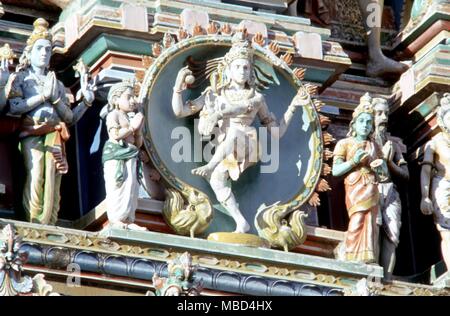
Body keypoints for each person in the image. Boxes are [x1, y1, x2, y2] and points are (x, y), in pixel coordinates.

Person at [172, 31, 311, 233]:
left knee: (236, 130)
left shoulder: (256, 98)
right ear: (228, 69)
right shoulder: (214, 94)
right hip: (226, 151)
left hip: (248, 145)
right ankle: (241, 222)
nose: (242, 71)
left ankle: (210, 165)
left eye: (246, 67)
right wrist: (178, 87)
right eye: (238, 66)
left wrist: (293, 106)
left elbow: (276, 132)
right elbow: (180, 111)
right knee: (218, 181)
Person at [7, 18, 95, 225]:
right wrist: (42, 96)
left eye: (48, 49)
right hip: (32, 132)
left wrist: (87, 104)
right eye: (40, 49)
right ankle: (34, 220)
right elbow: (14, 107)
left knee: (54, 177)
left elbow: (69, 117)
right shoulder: (23, 78)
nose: (45, 53)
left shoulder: (57, 82)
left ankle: (49, 220)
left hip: (55, 134)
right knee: (36, 171)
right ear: (29, 53)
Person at [332, 93, 383, 263]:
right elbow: (335, 170)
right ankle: (352, 254)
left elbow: (384, 174)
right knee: (357, 219)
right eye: (362, 121)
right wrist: (354, 161)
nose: (365, 125)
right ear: (353, 124)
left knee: (372, 222)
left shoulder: (374, 145)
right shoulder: (344, 143)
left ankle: (369, 255)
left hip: (372, 186)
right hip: (355, 187)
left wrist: (380, 167)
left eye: (369, 122)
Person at [102, 80, 147, 231]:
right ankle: (116, 219)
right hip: (117, 155)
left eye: (134, 97)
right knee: (119, 185)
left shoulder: (129, 117)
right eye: (129, 97)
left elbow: (138, 143)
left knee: (132, 187)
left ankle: (128, 219)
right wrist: (132, 127)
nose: (133, 101)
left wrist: (139, 131)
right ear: (115, 99)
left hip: (131, 155)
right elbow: (115, 135)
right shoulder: (113, 115)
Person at [372, 97, 409, 279]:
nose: (383, 117)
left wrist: (389, 162)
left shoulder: (393, 145)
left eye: (386, 113)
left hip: (391, 190)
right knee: (374, 231)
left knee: (392, 236)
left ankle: (387, 279)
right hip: (372, 189)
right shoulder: (366, 141)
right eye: (379, 113)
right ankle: (375, 278)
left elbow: (405, 174)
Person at [420, 93, 450, 273]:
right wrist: (424, 196)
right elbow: (425, 170)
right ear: (442, 121)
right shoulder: (436, 143)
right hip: (443, 187)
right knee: (448, 232)